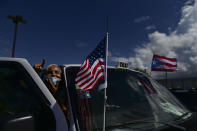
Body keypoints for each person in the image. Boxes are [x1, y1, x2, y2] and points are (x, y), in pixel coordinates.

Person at [33, 59, 70, 124]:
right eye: (50, 72)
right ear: (46, 75)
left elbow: (66, 114)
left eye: (56, 72)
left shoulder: (66, 91)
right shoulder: (40, 87)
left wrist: (55, 95)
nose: (53, 75)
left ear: (61, 75)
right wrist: (34, 72)